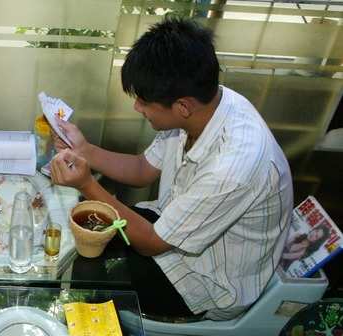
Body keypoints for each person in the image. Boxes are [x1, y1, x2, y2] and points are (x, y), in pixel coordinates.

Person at [50, 18, 293, 320]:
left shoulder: (233, 166)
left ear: (182, 106)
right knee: (84, 236)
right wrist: (84, 151)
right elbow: (142, 169)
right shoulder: (202, 104)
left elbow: (152, 243)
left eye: (143, 100)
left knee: (88, 272)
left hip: (207, 282)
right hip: (169, 227)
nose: (137, 107)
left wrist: (87, 184)